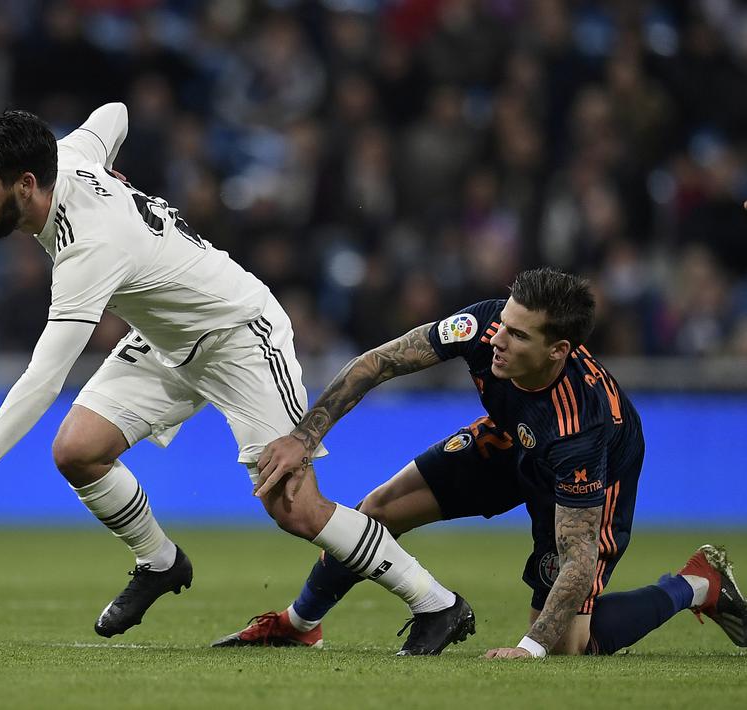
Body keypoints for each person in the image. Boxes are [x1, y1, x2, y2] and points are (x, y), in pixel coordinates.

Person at [0, 103, 475, 654]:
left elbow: (43, 379)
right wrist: (104, 164)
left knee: (295, 508)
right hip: (165, 338)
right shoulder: (72, 155)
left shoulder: (89, 245)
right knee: (78, 450)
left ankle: (436, 603)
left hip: (239, 336)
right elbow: (114, 112)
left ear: (27, 183)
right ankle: (158, 563)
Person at [213, 268, 747, 657]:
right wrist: (306, 436)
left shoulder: (579, 426)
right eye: (504, 321)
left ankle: (697, 585)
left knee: (568, 647)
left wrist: (529, 649)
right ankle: (301, 622)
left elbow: (579, 556)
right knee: (378, 509)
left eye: (518, 334)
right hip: (510, 436)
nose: (498, 338)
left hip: (584, 477)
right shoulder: (483, 325)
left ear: (558, 350)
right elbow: (378, 362)